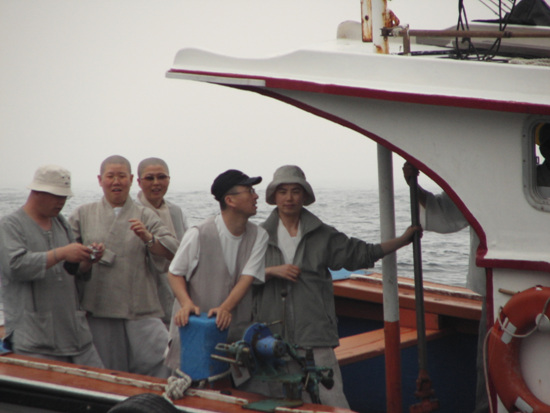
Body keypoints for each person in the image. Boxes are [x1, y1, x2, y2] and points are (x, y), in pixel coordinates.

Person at [250, 165, 420, 408]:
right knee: (281, 403)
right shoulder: (257, 236)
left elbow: (362, 253)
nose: (289, 198)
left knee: (333, 401)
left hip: (316, 334)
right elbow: (241, 278)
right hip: (272, 338)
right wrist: (272, 271)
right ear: (274, 196)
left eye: (295, 191)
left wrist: (402, 241)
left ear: (304, 196)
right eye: (283, 191)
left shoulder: (323, 235)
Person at [69, 155, 179, 377]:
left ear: (130, 180)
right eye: (110, 176)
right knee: (108, 368)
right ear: (100, 180)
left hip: (140, 303)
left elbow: (173, 249)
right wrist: (87, 259)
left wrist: (148, 238)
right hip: (100, 304)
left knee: (163, 360)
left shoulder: (145, 214)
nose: (116, 181)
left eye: (121, 176)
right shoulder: (83, 213)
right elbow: (68, 260)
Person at [402, 161, 487, 413]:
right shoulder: (487, 182)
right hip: (496, 292)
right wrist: (413, 185)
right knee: (490, 365)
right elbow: (445, 211)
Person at [164, 169, 269, 372]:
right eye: (249, 191)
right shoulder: (199, 233)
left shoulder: (259, 236)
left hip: (233, 334)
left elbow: (246, 278)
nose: (256, 196)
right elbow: (175, 272)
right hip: (193, 332)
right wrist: (186, 304)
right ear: (230, 200)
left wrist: (225, 309)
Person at [0, 165, 103, 367]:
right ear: (37, 192)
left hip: (76, 336)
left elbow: (71, 271)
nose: (61, 202)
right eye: (57, 196)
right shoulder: (9, 226)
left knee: (100, 381)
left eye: (64, 196)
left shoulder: (62, 223)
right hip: (34, 341)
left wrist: (87, 260)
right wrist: (61, 253)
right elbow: (15, 267)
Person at [135, 157, 189, 327]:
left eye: (161, 177)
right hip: (144, 299)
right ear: (139, 182)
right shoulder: (133, 213)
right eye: (149, 178)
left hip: (176, 293)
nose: (156, 183)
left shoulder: (176, 212)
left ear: (169, 179)